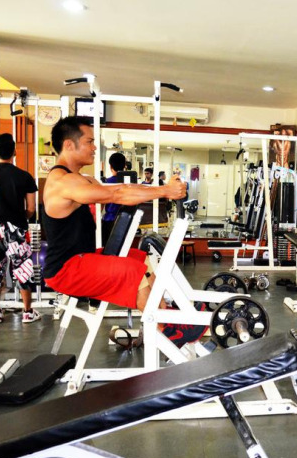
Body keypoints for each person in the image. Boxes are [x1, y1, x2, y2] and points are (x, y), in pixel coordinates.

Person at [41, 117, 189, 343]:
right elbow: (117, 195)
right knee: (132, 271)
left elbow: (123, 187)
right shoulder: (63, 182)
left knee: (140, 258)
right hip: (65, 269)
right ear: (69, 145)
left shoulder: (81, 179)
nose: (94, 147)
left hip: (82, 258)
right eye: (89, 142)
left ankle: (166, 316)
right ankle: (167, 331)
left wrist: (162, 188)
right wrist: (165, 191)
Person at [0, 133, 40, 325]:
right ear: (15, 152)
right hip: (17, 228)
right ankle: (27, 312)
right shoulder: (25, 176)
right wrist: (20, 218)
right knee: (22, 268)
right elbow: (31, 209)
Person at [101, 152, 127, 245]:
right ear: (124, 166)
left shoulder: (106, 183)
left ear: (110, 166)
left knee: (106, 247)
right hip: (124, 221)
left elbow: (101, 205)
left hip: (109, 220)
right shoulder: (128, 183)